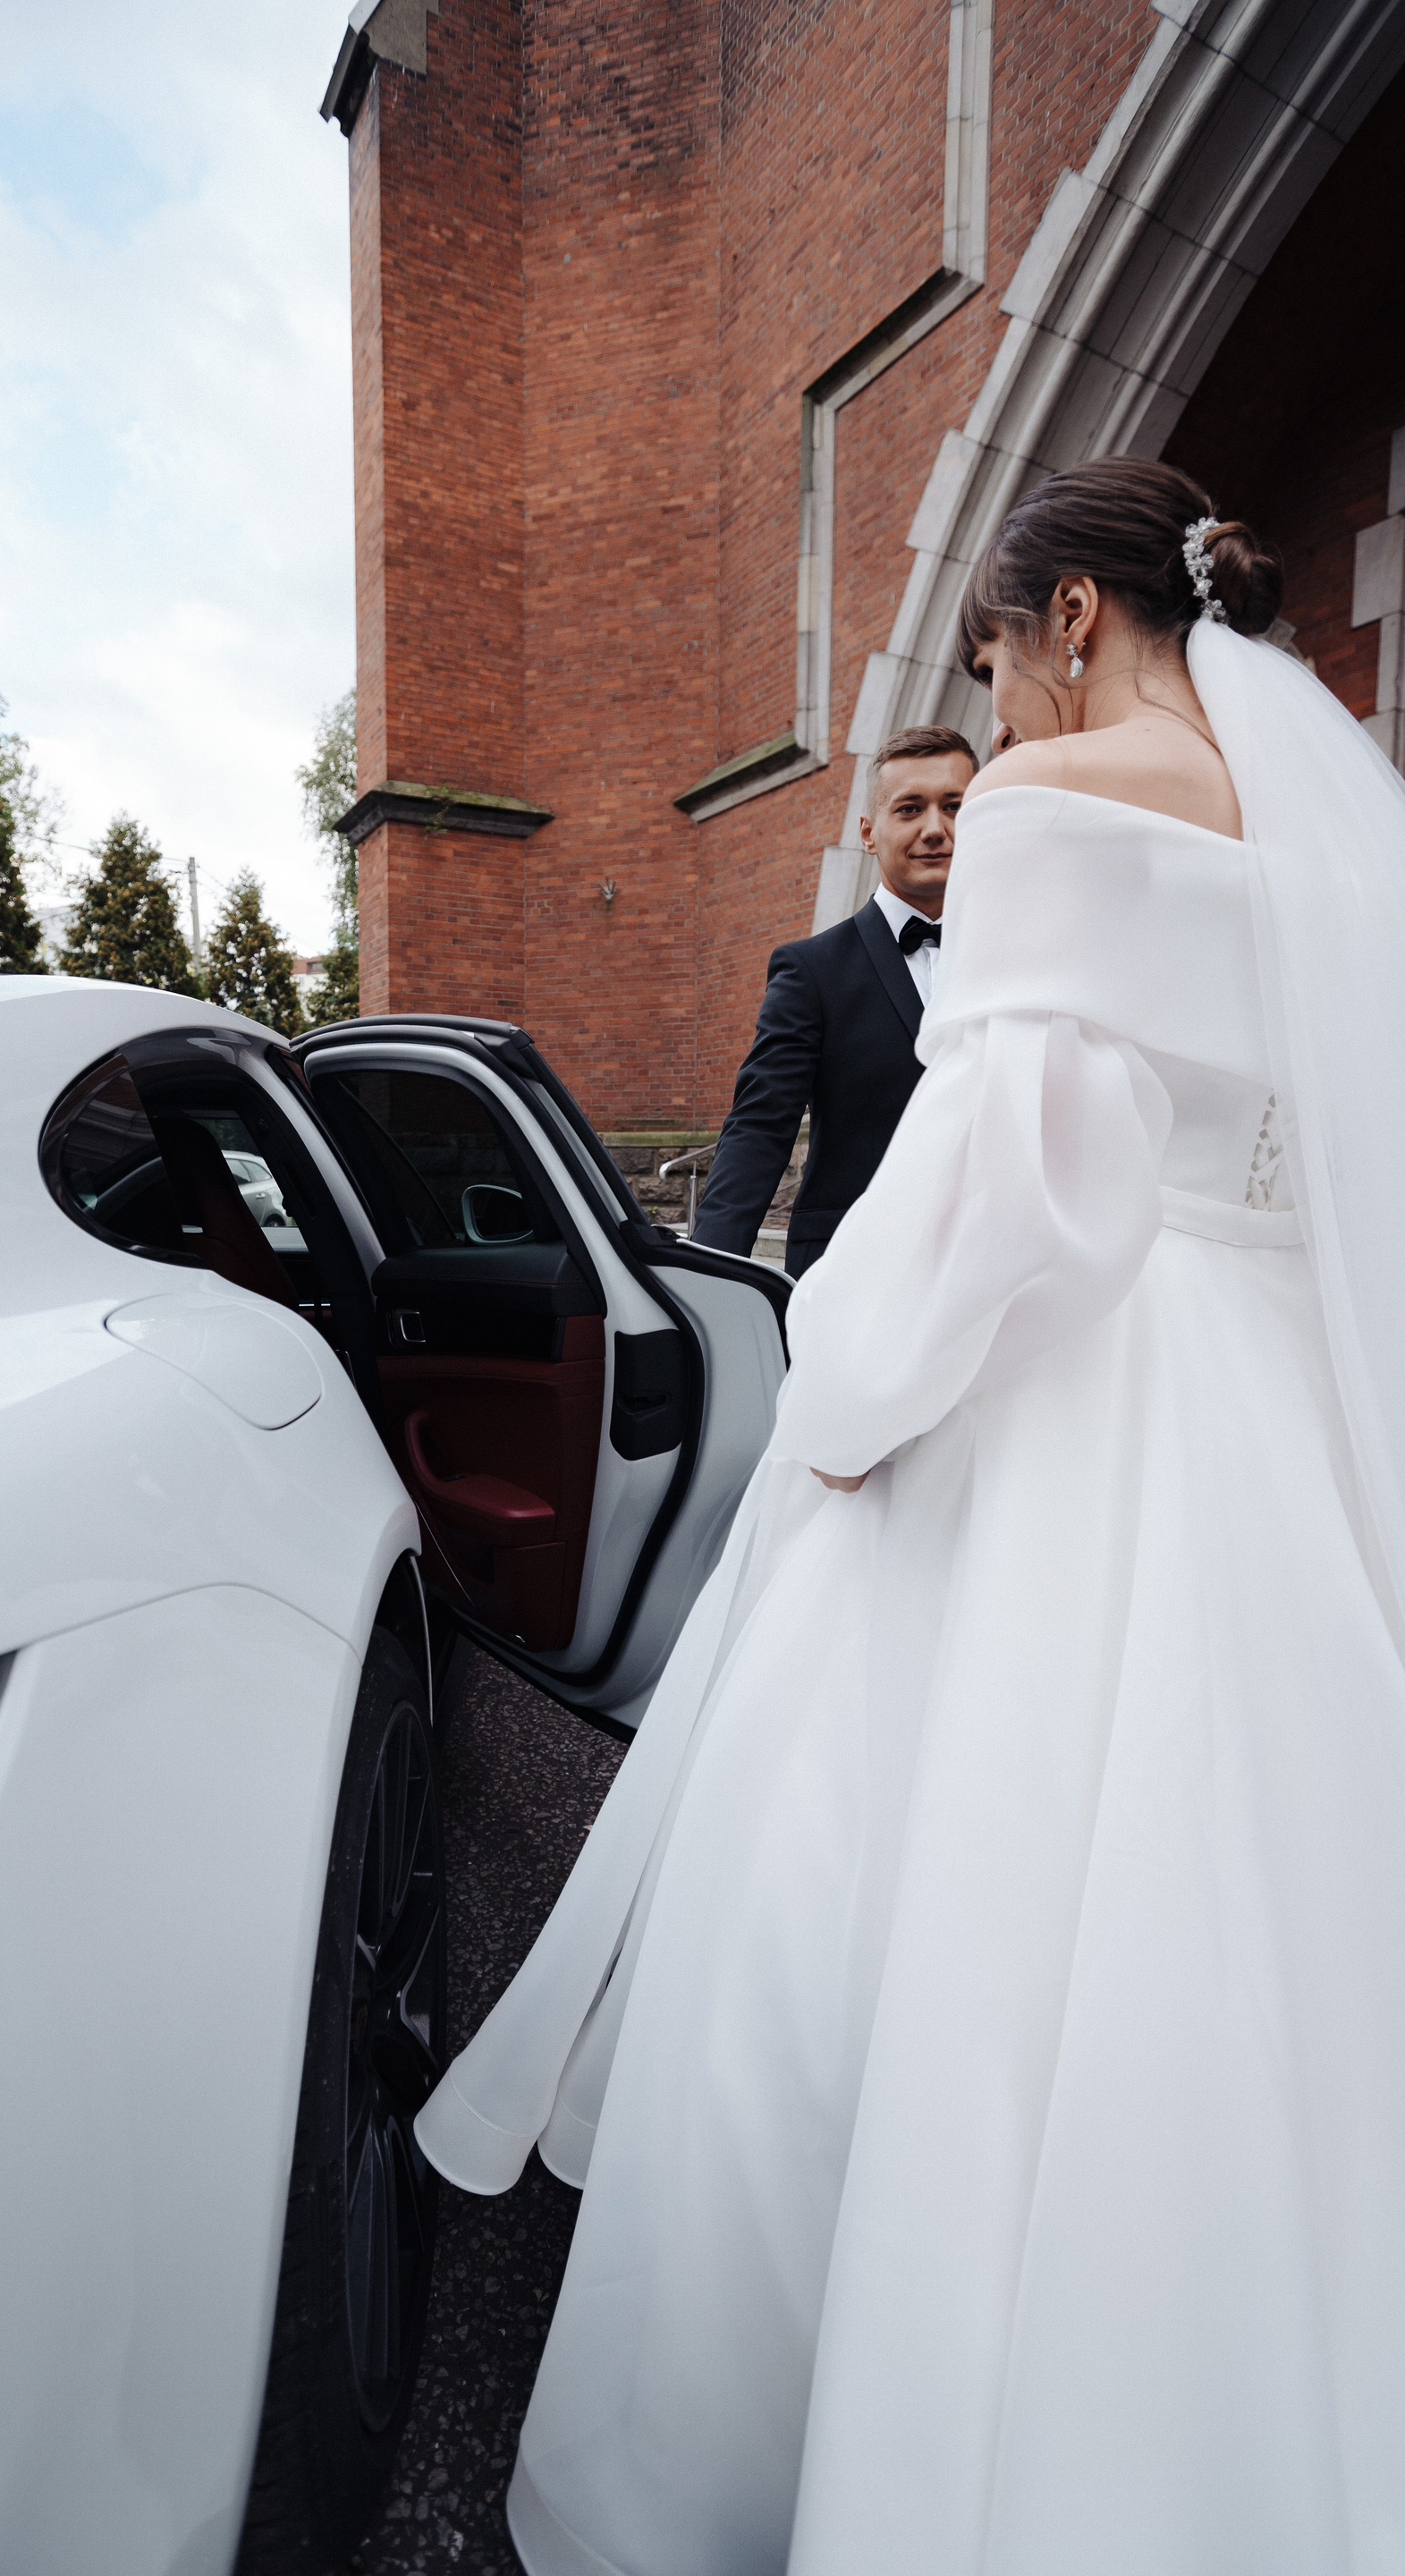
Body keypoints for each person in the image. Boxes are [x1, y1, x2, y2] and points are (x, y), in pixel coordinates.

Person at [415, 454, 1405, 2574]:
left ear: (1071, 618)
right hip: (1277, 1423)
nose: (997, 716)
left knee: (928, 1887)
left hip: (1084, 1401)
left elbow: (1023, 1165)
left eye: (995, 658)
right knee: (1259, 1908)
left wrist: (854, 1395)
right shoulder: (1334, 842)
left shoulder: (1059, 800)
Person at [691, 725, 977, 1275]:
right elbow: (760, 1126)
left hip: (994, 1269)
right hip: (853, 1270)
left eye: (954, 807)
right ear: (868, 833)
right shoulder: (811, 971)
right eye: (910, 809)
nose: (935, 829)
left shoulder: (1021, 957)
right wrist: (709, 1275)